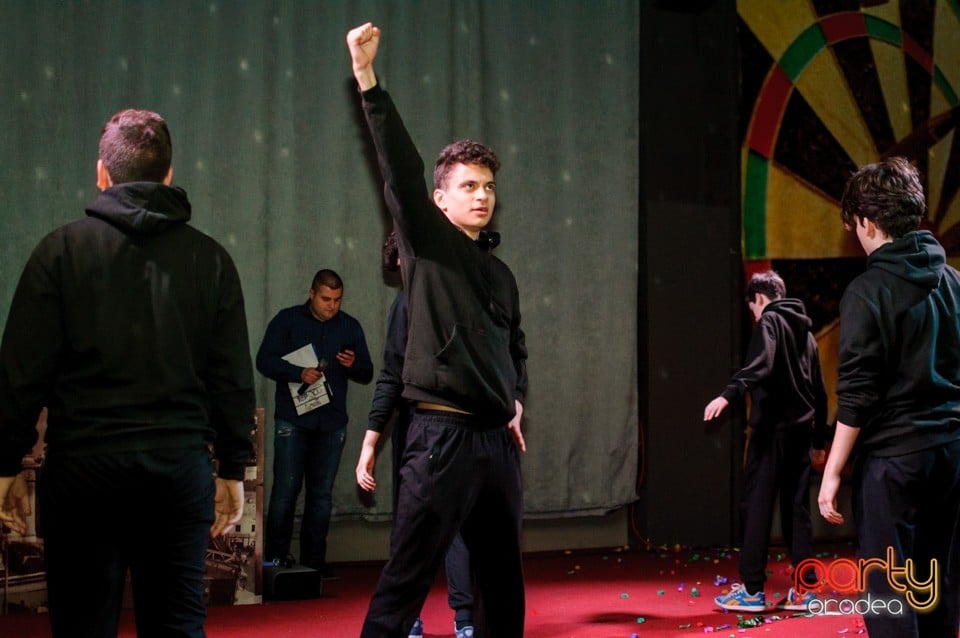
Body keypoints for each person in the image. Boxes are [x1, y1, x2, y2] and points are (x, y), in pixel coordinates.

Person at [0, 108, 255, 637]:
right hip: (177, 470)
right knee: (177, 626)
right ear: (168, 174)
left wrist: (4, 464)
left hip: (82, 472)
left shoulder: (59, 252)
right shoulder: (210, 259)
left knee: (82, 626)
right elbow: (231, 377)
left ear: (102, 173)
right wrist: (233, 465)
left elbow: (21, 374)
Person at [347, 22, 529, 638]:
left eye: (489, 186)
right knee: (406, 579)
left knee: (503, 585)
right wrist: (368, 80)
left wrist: (516, 400)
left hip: (496, 445)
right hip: (440, 438)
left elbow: (516, 347)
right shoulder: (426, 246)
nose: (483, 196)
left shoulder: (501, 276)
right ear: (440, 200)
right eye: (468, 186)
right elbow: (398, 167)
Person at [818, 156, 960, 637]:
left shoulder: (867, 291)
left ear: (867, 222)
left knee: (889, 598)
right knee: (938, 586)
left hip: (895, 462)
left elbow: (857, 394)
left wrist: (832, 471)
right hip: (951, 454)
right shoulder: (953, 282)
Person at [356, 231, 476, 638]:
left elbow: (392, 375)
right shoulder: (416, 301)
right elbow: (392, 375)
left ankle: (458, 618)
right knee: (437, 525)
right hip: (430, 427)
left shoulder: (421, 301)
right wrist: (371, 442)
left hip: (436, 429)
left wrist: (369, 444)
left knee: (430, 525)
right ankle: (448, 620)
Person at [704, 270, 828, 613]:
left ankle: (752, 590)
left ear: (758, 298)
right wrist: (819, 440)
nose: (754, 315)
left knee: (756, 508)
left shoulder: (769, 322)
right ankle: (805, 591)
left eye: (752, 308)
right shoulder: (807, 334)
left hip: (771, 433)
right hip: (801, 436)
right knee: (796, 512)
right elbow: (819, 391)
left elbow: (761, 363)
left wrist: (728, 394)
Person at [256, 268, 373, 578]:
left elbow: (368, 372)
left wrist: (354, 364)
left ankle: (313, 564)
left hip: (332, 423)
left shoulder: (350, 326)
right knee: (285, 493)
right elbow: (264, 360)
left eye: (337, 300)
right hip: (293, 420)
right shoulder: (287, 320)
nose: (332, 306)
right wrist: (297, 373)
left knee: (321, 496)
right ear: (311, 294)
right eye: (325, 299)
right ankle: (274, 564)